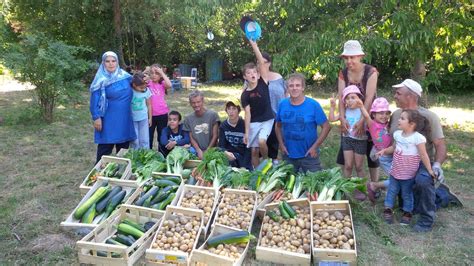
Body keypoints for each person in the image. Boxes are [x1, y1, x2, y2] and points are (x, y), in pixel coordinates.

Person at [390, 78, 462, 232]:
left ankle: (426, 220)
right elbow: (394, 140)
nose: (395, 96)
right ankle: (441, 194)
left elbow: (440, 145)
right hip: (402, 163)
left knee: (423, 182)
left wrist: (436, 166)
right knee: (408, 207)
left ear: (410, 96)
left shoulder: (429, 117)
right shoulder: (396, 115)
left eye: (398, 93)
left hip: (422, 163)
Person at [378, 109, 436, 225]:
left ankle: (407, 213)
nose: (398, 120)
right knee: (392, 191)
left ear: (412, 124)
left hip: (409, 175)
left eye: (402, 118)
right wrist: (384, 151)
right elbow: (393, 148)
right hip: (395, 172)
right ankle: (388, 209)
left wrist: (430, 169)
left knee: (406, 194)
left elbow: (424, 155)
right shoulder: (398, 134)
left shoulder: (417, 138)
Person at [336, 40, 380, 183]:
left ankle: (374, 185)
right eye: (346, 58)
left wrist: (362, 121)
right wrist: (342, 118)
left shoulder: (371, 72)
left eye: (352, 57)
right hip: (350, 115)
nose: (349, 61)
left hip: (369, 115)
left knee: (372, 151)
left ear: (360, 56)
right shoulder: (343, 74)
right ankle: (346, 184)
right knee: (347, 145)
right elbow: (341, 97)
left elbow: (369, 97)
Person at [275, 73, 330, 173]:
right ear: (287, 88)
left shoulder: (313, 105)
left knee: (314, 184)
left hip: (309, 154)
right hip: (288, 154)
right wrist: (281, 145)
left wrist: (315, 147)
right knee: (287, 185)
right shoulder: (282, 104)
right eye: (291, 86)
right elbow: (278, 126)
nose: (294, 88)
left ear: (303, 88)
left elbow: (326, 126)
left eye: (297, 85)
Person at [89, 51, 136, 163]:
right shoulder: (99, 80)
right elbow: (94, 100)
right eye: (107, 61)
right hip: (108, 120)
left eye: (113, 61)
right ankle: (99, 175)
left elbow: (141, 86)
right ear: (103, 63)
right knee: (104, 151)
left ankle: (122, 174)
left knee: (123, 151)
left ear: (117, 62)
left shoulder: (126, 77)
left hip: (124, 119)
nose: (111, 64)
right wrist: (96, 117)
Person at [248, 40, 287, 163]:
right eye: (259, 63)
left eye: (265, 63)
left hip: (276, 116)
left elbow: (286, 94)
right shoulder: (253, 78)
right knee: (257, 149)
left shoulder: (279, 77)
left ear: (269, 63)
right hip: (258, 117)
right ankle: (259, 169)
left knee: (273, 147)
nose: (262, 65)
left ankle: (272, 167)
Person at [357, 97, 393, 202]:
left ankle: (383, 186)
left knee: (398, 175)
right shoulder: (372, 125)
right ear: (374, 114)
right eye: (381, 113)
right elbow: (366, 116)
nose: (384, 116)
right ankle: (375, 186)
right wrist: (361, 106)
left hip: (391, 153)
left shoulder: (389, 124)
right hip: (383, 156)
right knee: (397, 177)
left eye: (387, 113)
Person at [241, 61, 275, 168]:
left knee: (261, 141)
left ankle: (266, 162)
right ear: (244, 77)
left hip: (267, 120)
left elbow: (262, 63)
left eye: (254, 72)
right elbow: (247, 114)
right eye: (249, 73)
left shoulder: (263, 83)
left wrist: (254, 46)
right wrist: (247, 133)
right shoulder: (245, 95)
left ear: (258, 74)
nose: (252, 74)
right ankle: (257, 172)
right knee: (254, 151)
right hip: (254, 122)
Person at [330, 85, 367, 178]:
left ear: (359, 98)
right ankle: (346, 187)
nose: (350, 100)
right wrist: (332, 107)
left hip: (360, 141)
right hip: (347, 140)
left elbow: (369, 121)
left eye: (353, 97)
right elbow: (331, 119)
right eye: (347, 98)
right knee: (348, 166)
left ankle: (362, 188)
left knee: (359, 167)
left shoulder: (362, 111)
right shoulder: (345, 111)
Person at [183, 90, 219, 159]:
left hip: (211, 150)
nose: (196, 105)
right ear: (190, 103)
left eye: (198, 102)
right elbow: (191, 137)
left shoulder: (213, 115)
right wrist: (198, 150)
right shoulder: (188, 118)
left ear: (203, 101)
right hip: (195, 151)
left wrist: (208, 150)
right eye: (193, 103)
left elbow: (215, 135)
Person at [218, 99, 252, 170]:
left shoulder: (244, 124)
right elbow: (221, 145)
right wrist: (225, 152)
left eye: (234, 108)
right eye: (229, 109)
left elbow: (248, 148)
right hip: (230, 155)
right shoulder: (223, 126)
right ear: (226, 111)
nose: (231, 111)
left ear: (238, 110)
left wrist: (244, 165)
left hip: (243, 155)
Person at [147, 64, 172, 150]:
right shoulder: (147, 84)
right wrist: (145, 72)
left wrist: (162, 72)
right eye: (152, 73)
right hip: (150, 115)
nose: (154, 75)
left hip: (162, 114)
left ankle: (162, 154)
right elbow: (136, 80)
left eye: (156, 73)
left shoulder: (162, 84)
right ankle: (148, 154)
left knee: (162, 137)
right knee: (148, 137)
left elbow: (170, 85)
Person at [130, 72, 152, 149]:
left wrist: (150, 118)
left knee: (145, 140)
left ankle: (145, 156)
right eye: (141, 88)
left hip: (143, 119)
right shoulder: (130, 91)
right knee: (134, 141)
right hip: (133, 120)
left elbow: (149, 105)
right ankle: (135, 157)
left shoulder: (147, 90)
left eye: (144, 87)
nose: (143, 89)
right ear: (134, 85)